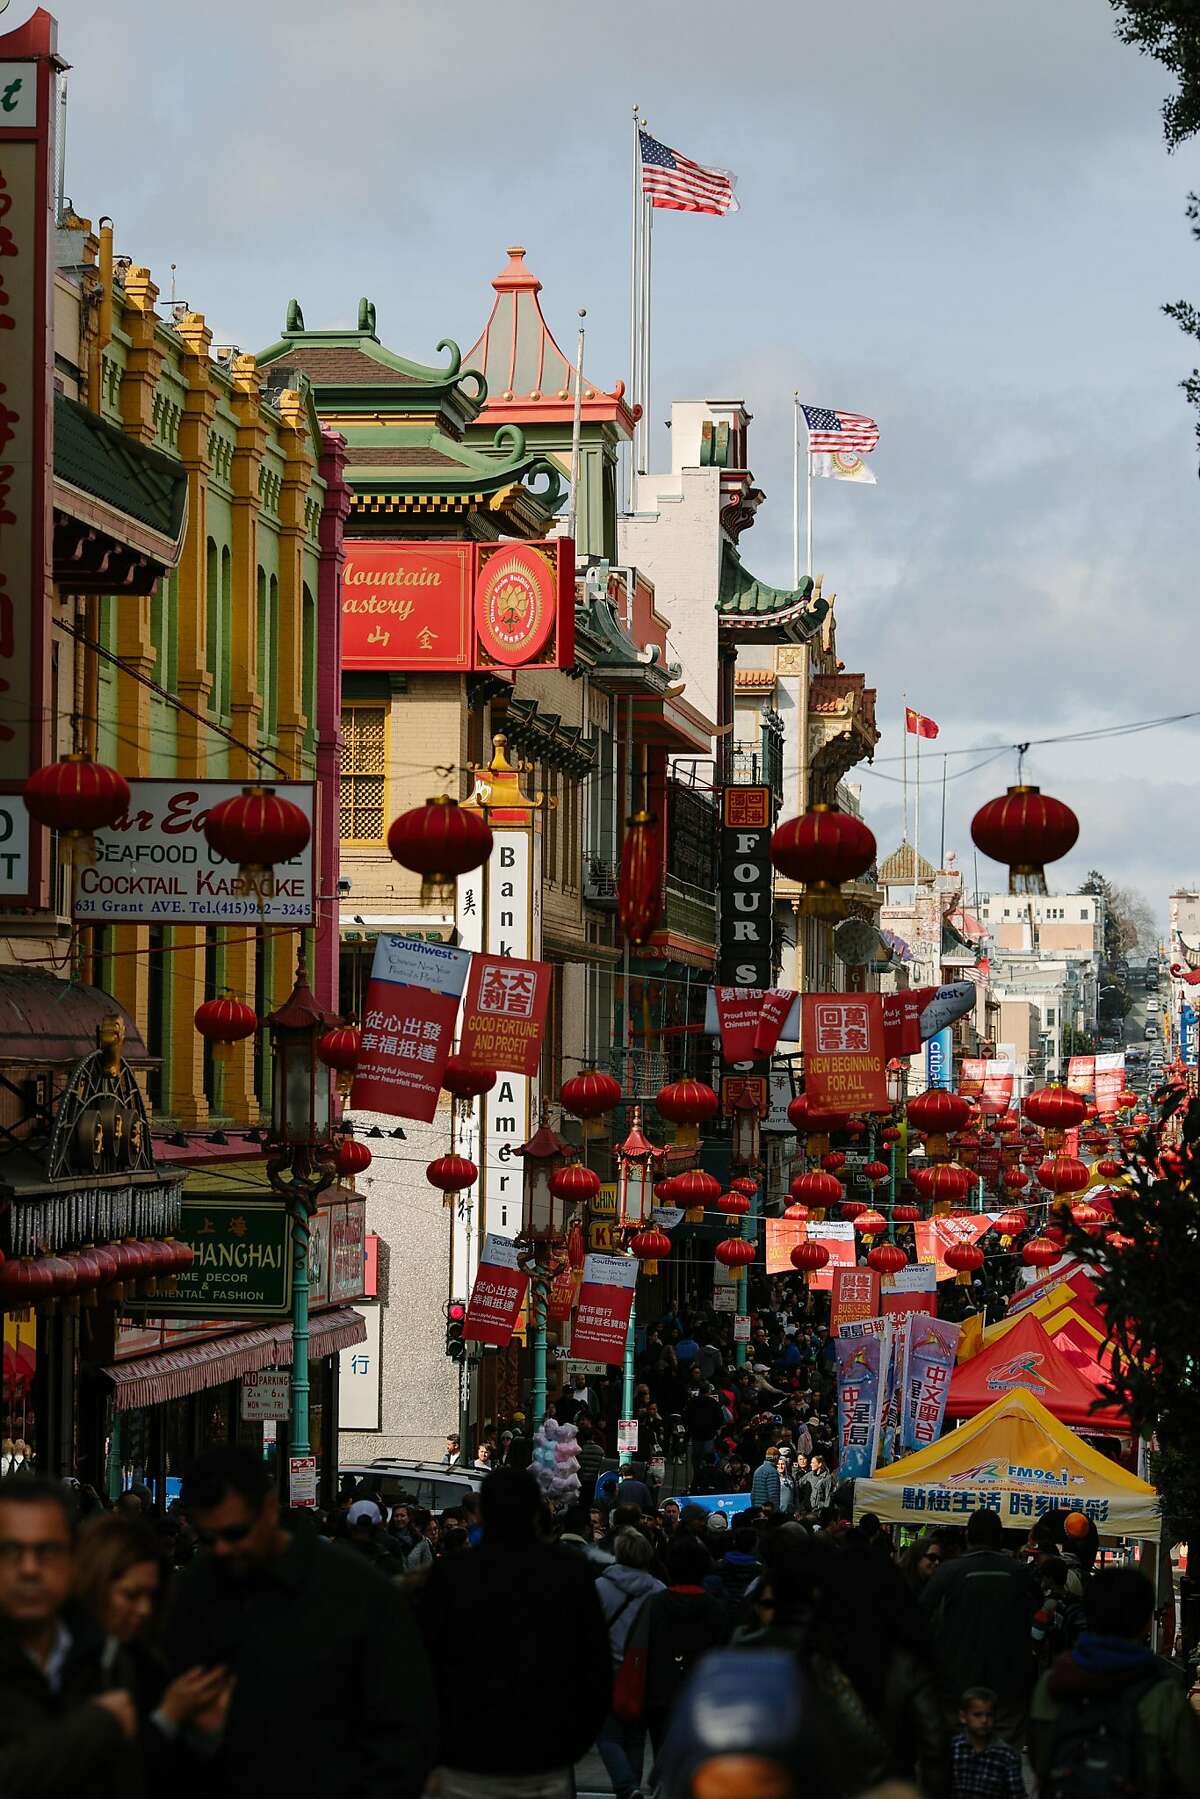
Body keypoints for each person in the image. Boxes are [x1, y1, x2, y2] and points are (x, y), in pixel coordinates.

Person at [164, 1444, 436, 1799]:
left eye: (235, 1534)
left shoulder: (355, 1592)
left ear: (267, 1511)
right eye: (209, 1538)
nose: (222, 1550)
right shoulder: (193, 1592)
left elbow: (406, 1727)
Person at [417, 1469, 610, 1798]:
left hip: (467, 1757)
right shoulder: (569, 1572)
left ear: (483, 1513)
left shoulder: (452, 1574)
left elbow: (423, 1666)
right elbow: (595, 1666)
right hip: (544, 1755)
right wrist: (571, 1744)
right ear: (536, 1512)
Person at [0, 1478, 141, 1797]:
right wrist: (95, 1725)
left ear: (73, 1561)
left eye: (47, 1551)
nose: (29, 1569)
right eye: (10, 1551)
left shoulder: (107, 1657)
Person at [73, 1513, 232, 1765]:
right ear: (95, 1584)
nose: (144, 1609)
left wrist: (203, 1733)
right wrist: (168, 1717)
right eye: (130, 1595)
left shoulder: (147, 1659)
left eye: (151, 1596)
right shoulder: (59, 1661)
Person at [1029, 1566, 1200, 1798]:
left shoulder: (1053, 1683)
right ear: (1145, 1623)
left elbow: (1040, 1759)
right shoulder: (1163, 1697)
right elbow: (1189, 1775)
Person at [921, 1506, 1041, 1743]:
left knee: (957, 1755)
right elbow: (1037, 1609)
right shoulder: (1019, 1573)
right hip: (1010, 1683)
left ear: (967, 1535)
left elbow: (921, 1616)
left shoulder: (948, 1572)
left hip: (956, 1684)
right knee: (1003, 1756)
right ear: (1000, 1537)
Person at [642, 1535, 731, 1752]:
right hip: (703, 1697)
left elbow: (642, 1648)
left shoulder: (655, 1604)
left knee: (662, 1754)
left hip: (660, 1695)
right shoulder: (716, 1609)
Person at [594, 1530, 665, 1799]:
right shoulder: (658, 1590)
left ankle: (625, 1786)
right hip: (641, 1670)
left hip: (607, 1669)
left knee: (607, 1735)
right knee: (636, 1736)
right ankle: (632, 1786)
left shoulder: (600, 1586)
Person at [950, 1687, 1024, 1799]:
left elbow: (1017, 1795)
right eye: (977, 1715)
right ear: (963, 1717)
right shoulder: (952, 1749)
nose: (984, 1720)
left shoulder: (1007, 1756)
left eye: (989, 1715)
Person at [575, 1419, 606, 1502]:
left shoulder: (579, 1450)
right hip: (594, 1481)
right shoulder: (600, 1450)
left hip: (581, 1480)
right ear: (593, 1437)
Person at [751, 1444, 782, 1509]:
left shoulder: (758, 1470)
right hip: (767, 1511)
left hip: (757, 1509)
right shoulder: (772, 1472)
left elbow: (753, 1493)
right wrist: (775, 1511)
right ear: (776, 1457)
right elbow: (773, 1495)